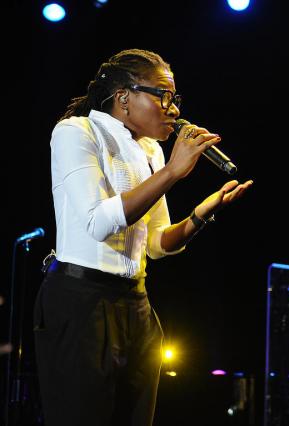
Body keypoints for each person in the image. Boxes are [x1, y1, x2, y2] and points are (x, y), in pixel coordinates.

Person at [33, 48, 252, 426]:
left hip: (135, 303)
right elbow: (99, 223)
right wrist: (171, 173)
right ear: (123, 98)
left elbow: (157, 244)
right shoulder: (76, 132)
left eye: (175, 98)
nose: (174, 109)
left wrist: (202, 214)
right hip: (81, 303)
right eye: (163, 95)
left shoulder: (150, 150)